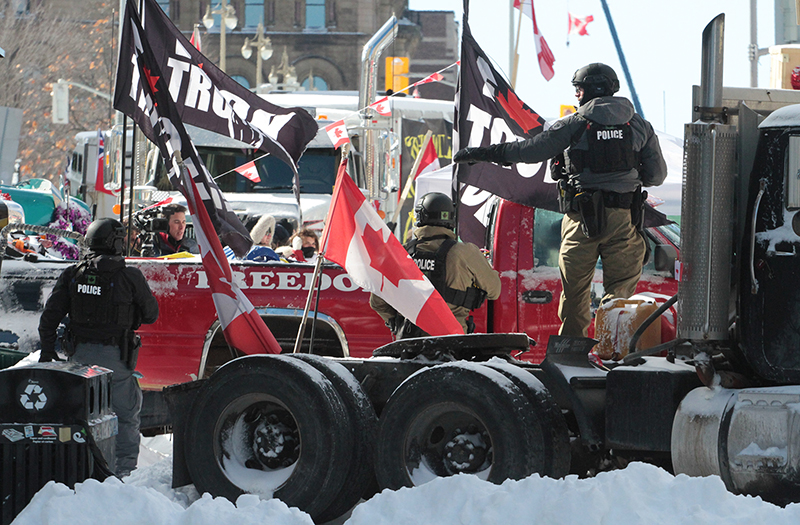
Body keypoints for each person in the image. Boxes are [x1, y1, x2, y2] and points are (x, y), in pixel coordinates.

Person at [453, 62, 667, 338]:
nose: (576, 95)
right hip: (624, 220)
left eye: (578, 90)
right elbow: (657, 175)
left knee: (575, 292)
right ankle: (614, 353)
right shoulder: (639, 126)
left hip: (581, 220)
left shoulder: (575, 124)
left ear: (589, 90)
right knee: (620, 296)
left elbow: (530, 151)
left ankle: (571, 353)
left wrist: (482, 153)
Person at [38, 218, 159, 477]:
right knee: (126, 414)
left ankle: (82, 469)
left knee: (81, 415)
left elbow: (49, 317)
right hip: (115, 357)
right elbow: (151, 315)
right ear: (114, 242)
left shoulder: (73, 273)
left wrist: (47, 350)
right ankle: (125, 474)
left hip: (78, 358)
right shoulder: (130, 276)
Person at [370, 192, 501, 338]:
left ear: (419, 218)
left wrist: (396, 322)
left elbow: (377, 301)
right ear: (451, 218)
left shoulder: (400, 254)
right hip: (452, 341)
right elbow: (494, 290)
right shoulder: (466, 253)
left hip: (409, 343)